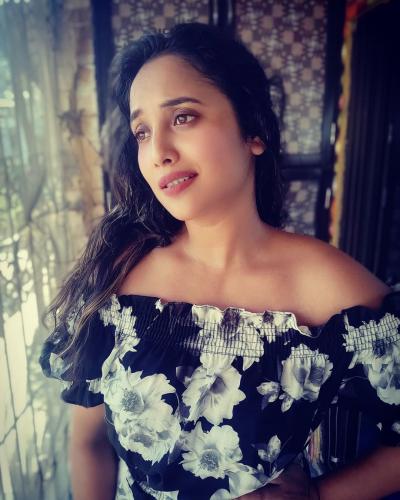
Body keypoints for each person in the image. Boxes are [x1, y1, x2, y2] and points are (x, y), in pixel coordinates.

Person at [39, 22, 400, 500]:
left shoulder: (329, 290)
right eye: (142, 132)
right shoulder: (116, 275)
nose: (158, 152)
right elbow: (88, 444)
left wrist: (321, 495)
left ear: (253, 130)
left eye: (183, 117)